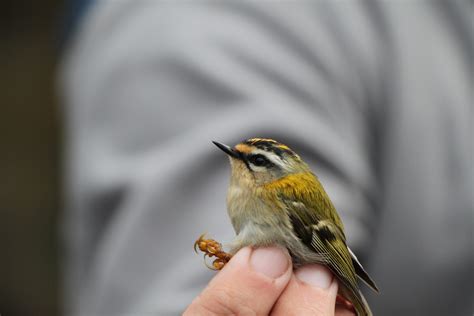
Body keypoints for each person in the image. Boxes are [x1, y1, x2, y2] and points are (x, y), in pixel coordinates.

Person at [59, 1, 472, 315]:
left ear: (268, 173)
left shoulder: (281, 193)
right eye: (239, 155)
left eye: (252, 160)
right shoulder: (208, 26)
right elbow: (168, 285)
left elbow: (324, 244)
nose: (237, 161)